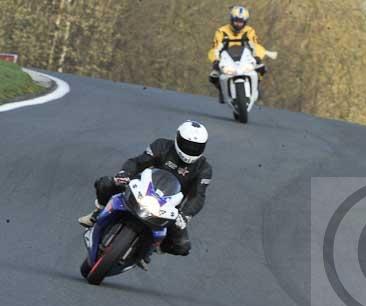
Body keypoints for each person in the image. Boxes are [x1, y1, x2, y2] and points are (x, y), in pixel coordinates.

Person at [78, 121, 212, 269]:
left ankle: (152, 247)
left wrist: (186, 215)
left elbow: (198, 196)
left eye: (196, 146)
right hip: (141, 188)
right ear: (177, 138)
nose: (191, 149)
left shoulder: (204, 169)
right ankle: (99, 210)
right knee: (106, 183)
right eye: (187, 144)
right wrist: (125, 174)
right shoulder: (161, 146)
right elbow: (138, 162)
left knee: (182, 246)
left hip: (168, 206)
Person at [207, 5, 278, 103]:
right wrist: (215, 60)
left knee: (262, 68)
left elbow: (256, 45)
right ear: (231, 19)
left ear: (245, 22)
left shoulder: (249, 31)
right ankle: (222, 89)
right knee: (213, 76)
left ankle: (256, 86)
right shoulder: (221, 31)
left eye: (241, 22)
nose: (238, 24)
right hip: (226, 59)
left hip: (245, 58)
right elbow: (215, 48)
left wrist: (257, 57)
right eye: (236, 21)